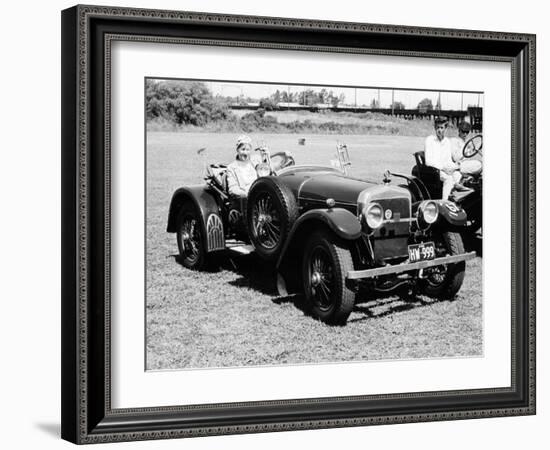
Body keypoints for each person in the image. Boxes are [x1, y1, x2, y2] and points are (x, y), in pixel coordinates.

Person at [424, 116, 461, 200]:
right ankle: (445, 202)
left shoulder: (447, 142)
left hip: (445, 169)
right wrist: (443, 168)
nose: (439, 130)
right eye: (437, 127)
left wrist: (455, 167)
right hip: (433, 170)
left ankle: (453, 199)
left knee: (458, 175)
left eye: (442, 127)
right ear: (434, 128)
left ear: (446, 128)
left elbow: (448, 160)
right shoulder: (429, 140)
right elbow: (428, 161)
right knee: (448, 179)